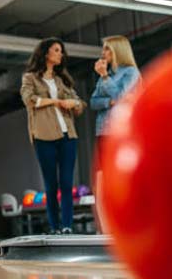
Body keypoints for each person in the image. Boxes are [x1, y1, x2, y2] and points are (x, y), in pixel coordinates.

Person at [20, 37, 85, 234]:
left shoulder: (61, 80)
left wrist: (73, 104)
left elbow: (79, 104)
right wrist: (55, 101)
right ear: (46, 53)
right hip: (43, 136)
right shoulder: (30, 78)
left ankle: (67, 226)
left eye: (61, 51)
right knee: (51, 184)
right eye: (57, 50)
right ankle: (54, 226)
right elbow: (28, 99)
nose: (60, 54)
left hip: (68, 135)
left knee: (66, 182)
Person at [90, 35, 141, 233]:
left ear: (117, 51)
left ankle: (128, 225)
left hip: (120, 132)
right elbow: (94, 102)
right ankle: (107, 229)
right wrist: (107, 102)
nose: (103, 54)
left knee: (121, 179)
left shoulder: (130, 72)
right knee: (101, 182)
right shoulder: (108, 75)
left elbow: (120, 96)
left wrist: (104, 78)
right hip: (103, 131)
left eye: (107, 49)